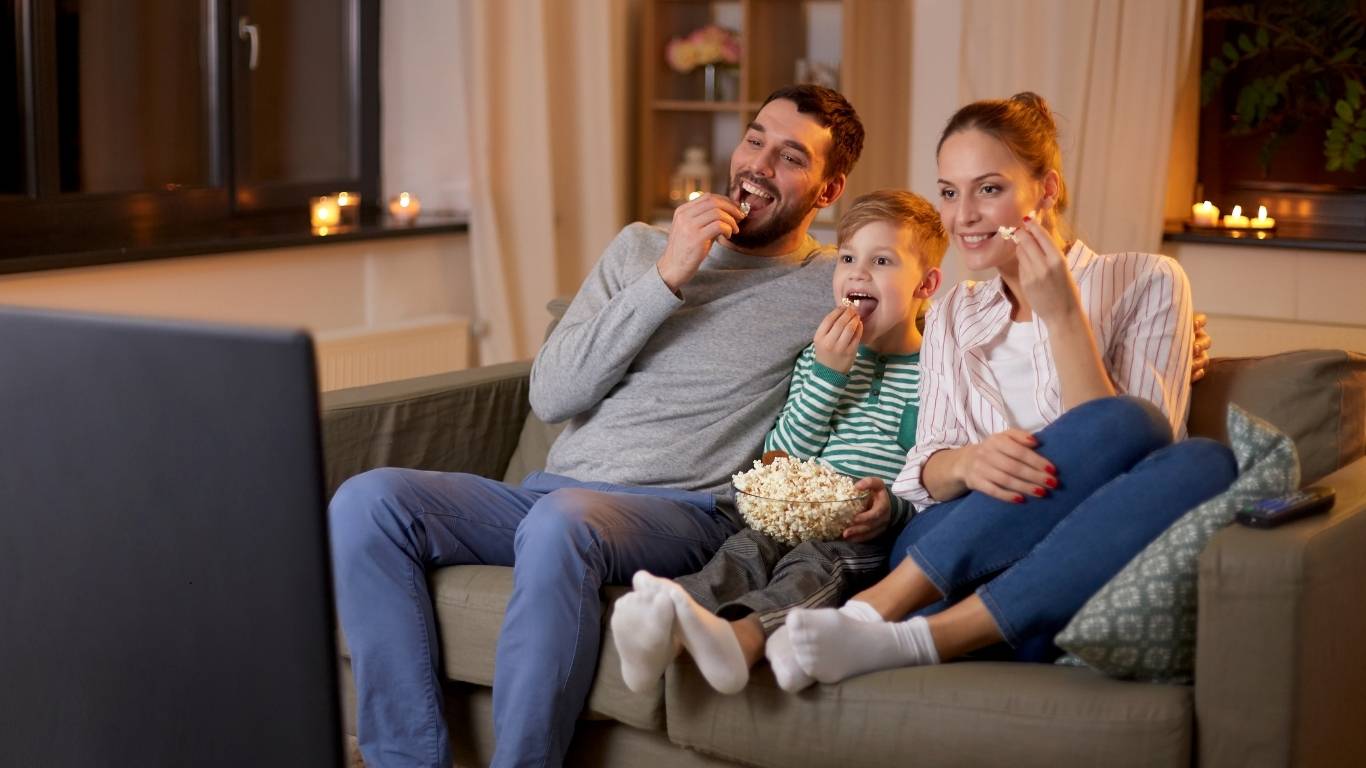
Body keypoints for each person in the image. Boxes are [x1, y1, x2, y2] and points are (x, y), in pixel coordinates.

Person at [327, 85, 865, 768]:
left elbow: (916, 335)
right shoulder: (642, 248)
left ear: (828, 190)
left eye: (790, 157)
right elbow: (553, 395)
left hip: (684, 513)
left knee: (563, 523)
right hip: (550, 496)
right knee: (367, 502)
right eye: (754, 139)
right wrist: (667, 276)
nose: (758, 164)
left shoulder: (829, 284)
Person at [781, 93, 1239, 686]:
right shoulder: (952, 312)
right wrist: (969, 463)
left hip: (1081, 545)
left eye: (989, 189)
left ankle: (919, 635)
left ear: (1046, 190)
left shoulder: (1148, 280)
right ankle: (884, 606)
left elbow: (1138, 461)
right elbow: (923, 468)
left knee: (1199, 460)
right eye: (949, 192)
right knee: (1134, 421)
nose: (964, 215)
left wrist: (1063, 316)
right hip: (952, 546)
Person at [610, 189, 946, 696]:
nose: (858, 274)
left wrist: (892, 511)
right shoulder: (818, 358)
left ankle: (742, 639)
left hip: (862, 538)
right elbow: (782, 458)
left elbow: (935, 479)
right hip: (794, 515)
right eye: (848, 258)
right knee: (743, 551)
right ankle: (663, 628)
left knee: (813, 566)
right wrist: (828, 375)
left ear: (926, 284)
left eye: (882, 261)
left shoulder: (938, 375)